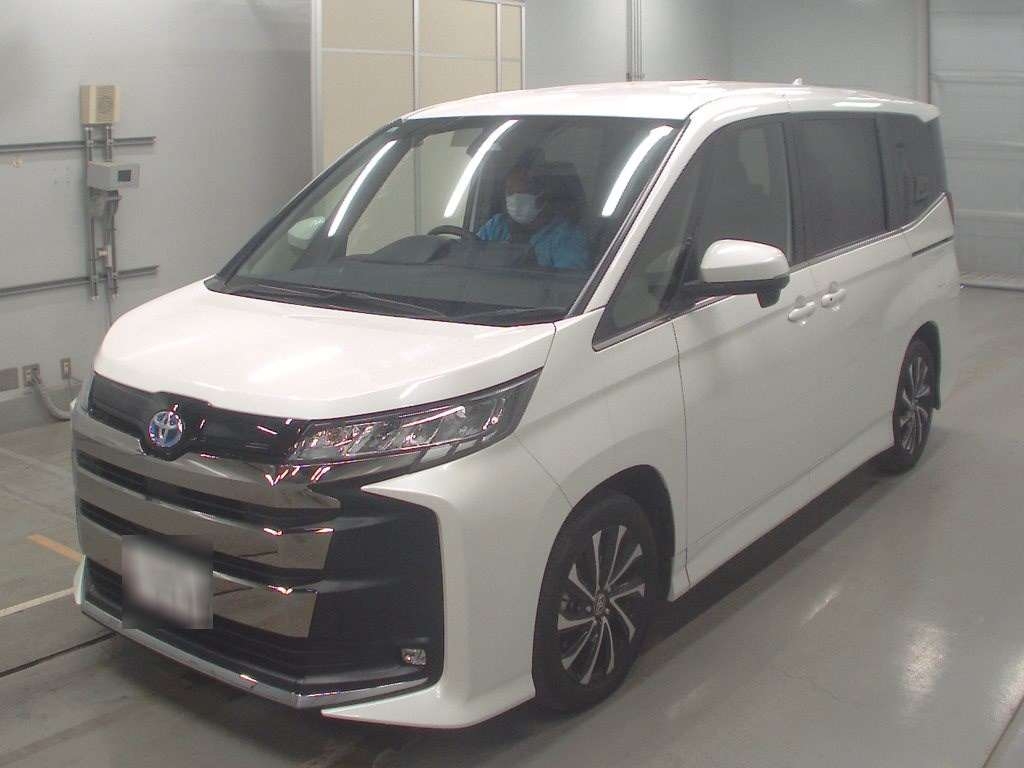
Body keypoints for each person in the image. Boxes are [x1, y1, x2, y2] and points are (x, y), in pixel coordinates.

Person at [476, 165, 589, 269]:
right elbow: (472, 253)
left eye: (524, 191)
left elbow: (567, 281)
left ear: (543, 196)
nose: (515, 198)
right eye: (510, 192)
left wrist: (534, 270)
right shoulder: (497, 225)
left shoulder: (566, 237)